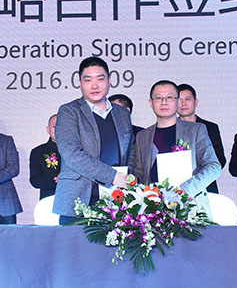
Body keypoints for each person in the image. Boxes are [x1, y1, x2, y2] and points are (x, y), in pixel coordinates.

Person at [54, 57, 135, 225]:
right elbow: (72, 154)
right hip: (79, 200)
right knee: (73, 243)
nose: (95, 85)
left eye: (100, 79)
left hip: (117, 200)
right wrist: (113, 176)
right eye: (88, 80)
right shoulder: (69, 111)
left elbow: (131, 150)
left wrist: (130, 178)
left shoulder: (122, 113)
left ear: (109, 80)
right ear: (80, 83)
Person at [131, 81, 220, 214]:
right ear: (151, 103)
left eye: (169, 97)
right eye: (158, 98)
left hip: (189, 207)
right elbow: (140, 172)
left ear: (177, 101)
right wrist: (132, 180)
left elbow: (213, 166)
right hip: (153, 211)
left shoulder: (195, 130)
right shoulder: (142, 136)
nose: (164, 102)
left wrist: (186, 189)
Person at [177, 83, 227, 193]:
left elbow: (220, 159)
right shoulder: (170, 128)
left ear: (196, 102)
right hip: (177, 187)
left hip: (205, 186)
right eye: (179, 100)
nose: (183, 103)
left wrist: (198, 174)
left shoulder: (210, 127)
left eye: (187, 99)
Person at [28, 114, 61, 199]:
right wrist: (58, 181)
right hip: (49, 199)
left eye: (62, 126)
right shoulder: (38, 152)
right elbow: (35, 180)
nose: (58, 129)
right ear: (48, 129)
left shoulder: (77, 151)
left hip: (75, 199)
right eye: (54, 126)